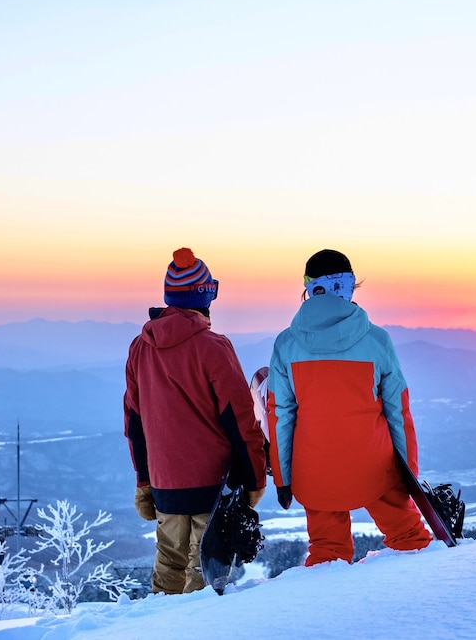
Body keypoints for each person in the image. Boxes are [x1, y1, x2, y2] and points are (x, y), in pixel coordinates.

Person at [267, 249, 432, 566]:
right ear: (349, 287)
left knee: (327, 553)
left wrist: (283, 479)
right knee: (411, 541)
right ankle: (421, 593)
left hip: (314, 471)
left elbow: (280, 416)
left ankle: (326, 597)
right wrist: (409, 473)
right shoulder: (376, 340)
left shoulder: (286, 344)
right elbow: (398, 412)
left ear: (309, 288)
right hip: (375, 466)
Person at [124, 247, 267, 594]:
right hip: (212, 488)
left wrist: (144, 482)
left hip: (164, 485)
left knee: (169, 572)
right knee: (203, 579)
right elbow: (240, 420)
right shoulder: (213, 347)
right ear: (205, 296)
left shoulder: (140, 348)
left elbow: (134, 423)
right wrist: (254, 479)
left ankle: (161, 623)